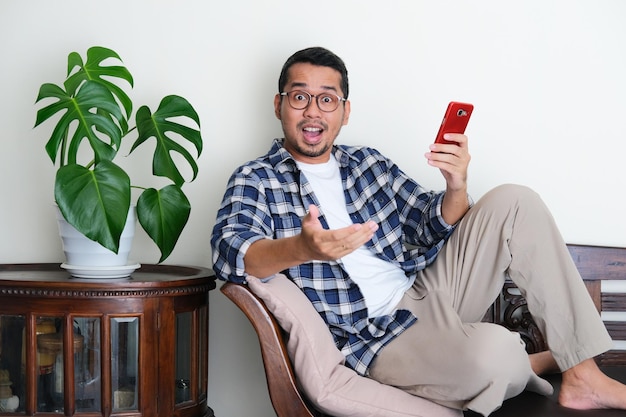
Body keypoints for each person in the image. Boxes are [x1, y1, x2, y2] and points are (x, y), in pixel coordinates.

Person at [211, 46, 626, 415]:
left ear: (345, 111)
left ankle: (583, 375)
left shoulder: (367, 163)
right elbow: (231, 253)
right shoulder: (256, 178)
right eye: (300, 97)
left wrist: (457, 186)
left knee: (515, 199)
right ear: (278, 104)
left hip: (426, 291)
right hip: (375, 335)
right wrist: (301, 248)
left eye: (327, 99)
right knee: (496, 354)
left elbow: (432, 222)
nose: (313, 111)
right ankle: (528, 361)